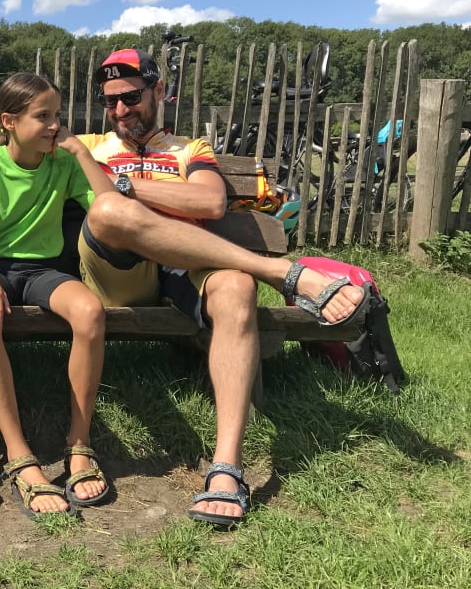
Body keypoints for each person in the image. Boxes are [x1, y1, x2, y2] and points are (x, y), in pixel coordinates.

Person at [75, 48, 371, 528]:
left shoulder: (191, 150)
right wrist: (119, 187)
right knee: (109, 212)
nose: (121, 110)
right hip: (116, 274)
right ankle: (281, 272)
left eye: (130, 97)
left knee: (235, 287)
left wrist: (120, 182)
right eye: (110, 102)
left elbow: (210, 202)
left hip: (183, 270)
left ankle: (226, 468)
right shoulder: (88, 143)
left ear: (159, 92)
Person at [0, 72, 116, 520]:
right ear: (9, 121)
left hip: (43, 270)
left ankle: (79, 445)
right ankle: (20, 456)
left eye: (57, 115)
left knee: (91, 312)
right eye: (43, 117)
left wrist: (80, 152)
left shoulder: (62, 163)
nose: (54, 125)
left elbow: (110, 206)